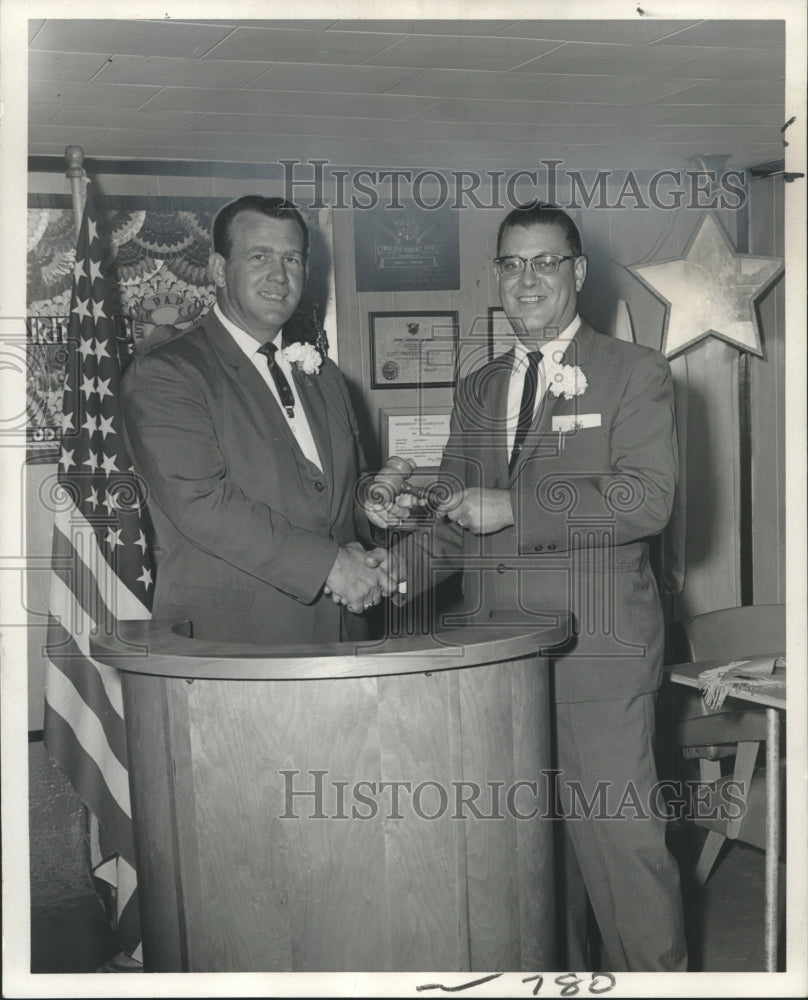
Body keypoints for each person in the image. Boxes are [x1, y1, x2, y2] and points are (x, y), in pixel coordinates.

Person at [368, 201, 687, 971]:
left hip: (596, 658)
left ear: (578, 273)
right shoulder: (478, 387)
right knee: (526, 865)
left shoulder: (634, 371)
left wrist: (515, 505)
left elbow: (646, 499)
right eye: (512, 264)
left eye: (546, 262)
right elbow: (454, 512)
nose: (527, 280)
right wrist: (390, 551)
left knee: (621, 855)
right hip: (494, 661)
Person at [122, 195, 392, 645]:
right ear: (218, 270)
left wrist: (376, 500)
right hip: (233, 642)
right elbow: (203, 503)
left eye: (292, 258)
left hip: (345, 634)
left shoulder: (324, 376)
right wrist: (330, 566)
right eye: (259, 256)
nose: (279, 275)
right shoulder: (166, 373)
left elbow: (341, 494)